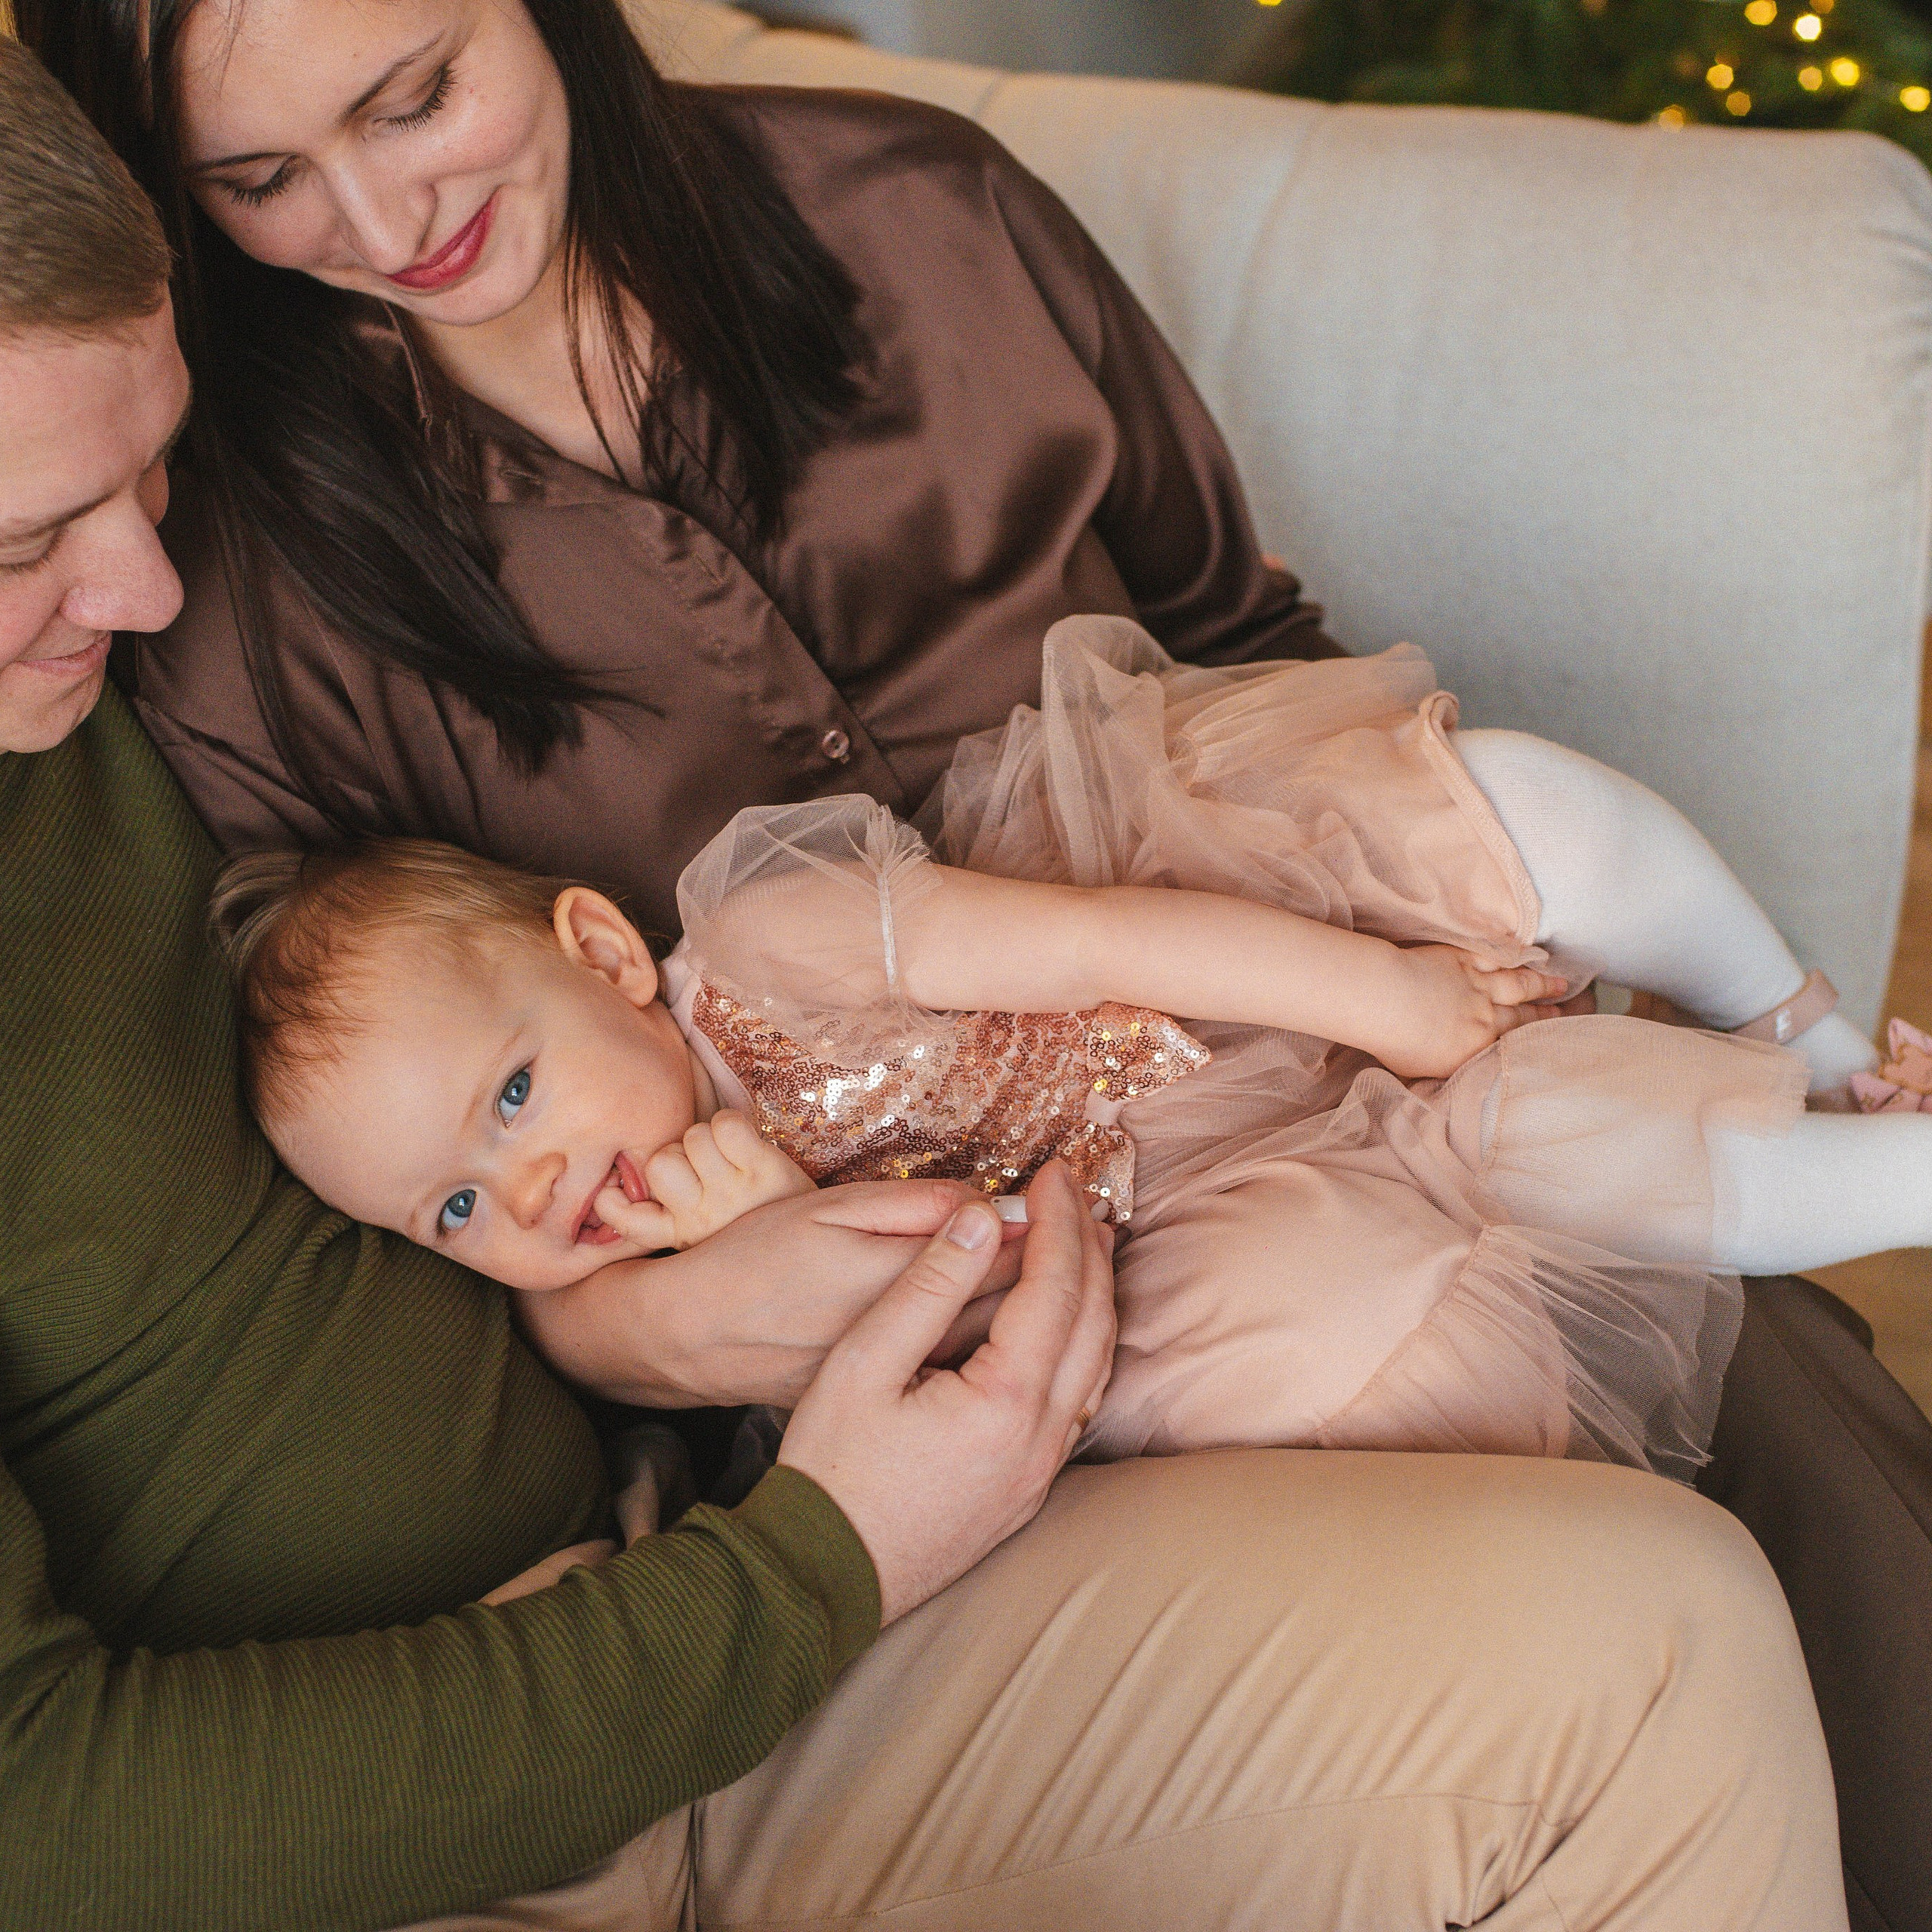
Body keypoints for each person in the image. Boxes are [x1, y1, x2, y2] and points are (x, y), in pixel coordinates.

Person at [11, 0, 1926, 1921]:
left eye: (415, 94)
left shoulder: (914, 213)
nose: (372, 210)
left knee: (1788, 1422)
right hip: (951, 1346)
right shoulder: (215, 576)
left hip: (1315, 1024)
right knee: (1501, 1450)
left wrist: (1390, 970)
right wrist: (671, 1320)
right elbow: (391, 1114)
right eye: (256, 178)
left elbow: (1237, 634)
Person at [210, 607, 1932, 1488]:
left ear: (602, 953)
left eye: (512, 1096)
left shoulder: (755, 944)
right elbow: (959, 1348)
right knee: (1410, 1278)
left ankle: (1804, 1019)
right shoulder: (654, 1286)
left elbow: (1099, 944)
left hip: (1225, 966)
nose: (534, 1185)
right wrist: (745, 1258)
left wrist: (1378, 997)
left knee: (1492, 819)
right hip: (1177, 1214)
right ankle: (1890, 1169)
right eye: (452, 1209)